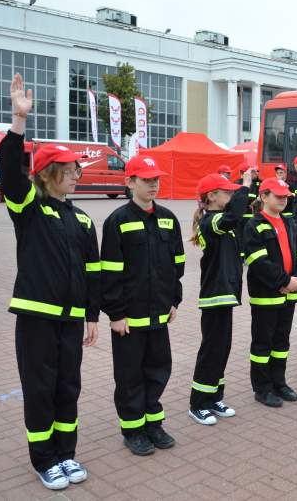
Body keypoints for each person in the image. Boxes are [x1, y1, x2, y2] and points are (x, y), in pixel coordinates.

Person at [0, 73, 99, 490]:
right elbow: (9, 170)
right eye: (70, 168)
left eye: (77, 167)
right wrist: (19, 122)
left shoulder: (83, 218)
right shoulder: (29, 208)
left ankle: (66, 454)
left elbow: (93, 271)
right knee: (39, 388)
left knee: (67, 387)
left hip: (73, 319)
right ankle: (44, 459)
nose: (77, 173)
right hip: (37, 317)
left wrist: (92, 314)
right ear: (48, 173)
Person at [100, 155, 185, 456]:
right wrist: (115, 313)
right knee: (130, 375)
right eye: (147, 180)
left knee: (159, 369)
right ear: (130, 182)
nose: (153, 184)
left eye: (156, 179)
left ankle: (153, 424)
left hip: (159, 314)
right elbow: (109, 273)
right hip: (129, 318)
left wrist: (174, 299)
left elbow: (177, 264)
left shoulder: (167, 218)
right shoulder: (118, 221)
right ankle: (133, 430)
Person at [187, 171, 250, 426]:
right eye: (227, 191)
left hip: (226, 295)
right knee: (211, 350)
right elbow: (235, 215)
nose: (232, 194)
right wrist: (246, 187)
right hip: (214, 297)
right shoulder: (210, 221)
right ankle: (198, 403)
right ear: (212, 196)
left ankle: (214, 397)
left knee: (222, 348)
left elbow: (238, 217)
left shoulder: (220, 220)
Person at [243, 177, 297, 407]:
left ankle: (279, 383)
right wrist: (284, 281)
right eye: (278, 196)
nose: (283, 200)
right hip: (266, 295)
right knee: (263, 344)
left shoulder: (291, 223)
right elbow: (258, 262)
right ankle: (262, 388)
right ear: (263, 197)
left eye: (285, 196)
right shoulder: (255, 225)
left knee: (281, 342)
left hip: (289, 293)